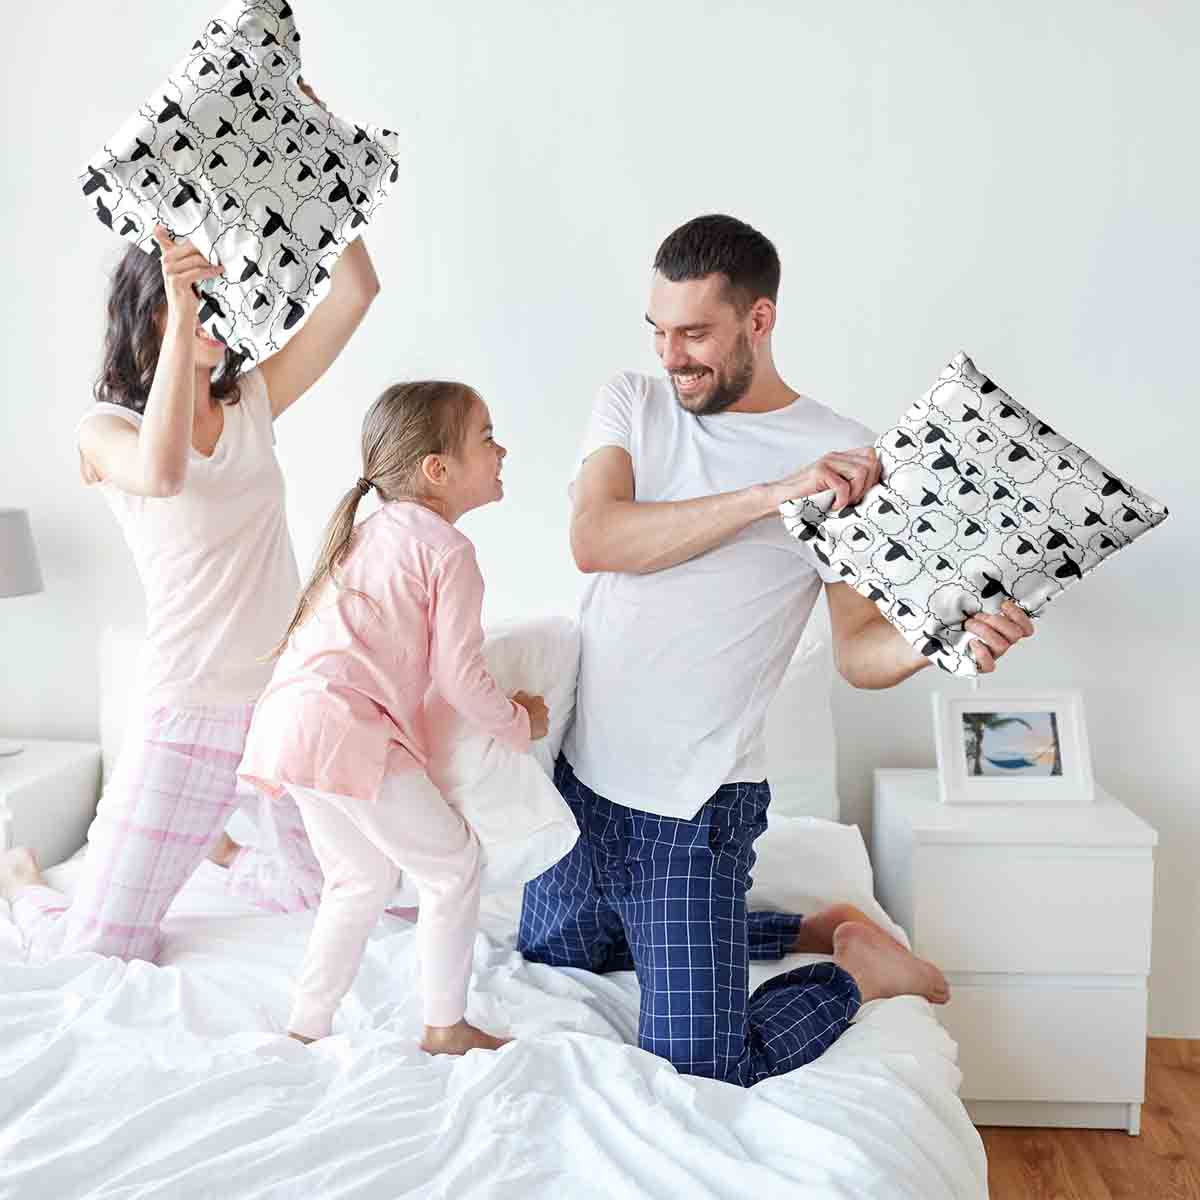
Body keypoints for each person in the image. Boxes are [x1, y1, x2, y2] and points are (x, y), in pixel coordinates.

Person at [518, 214, 1035, 1086]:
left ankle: (858, 966)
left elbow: (859, 653)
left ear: (759, 322)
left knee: (705, 1063)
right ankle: (806, 922)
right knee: (553, 946)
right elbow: (597, 537)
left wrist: (939, 645)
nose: (671, 354)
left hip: (693, 812)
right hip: (585, 779)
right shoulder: (634, 402)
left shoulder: (840, 458)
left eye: (695, 333)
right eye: (659, 330)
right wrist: (770, 498)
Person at [0, 81, 380, 956]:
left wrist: (304, 137)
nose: (220, 311)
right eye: (198, 295)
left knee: (333, 899)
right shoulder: (106, 432)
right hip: (189, 711)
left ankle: (224, 845)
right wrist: (181, 316)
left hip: (285, 702)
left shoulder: (250, 399)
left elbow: (358, 290)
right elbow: (164, 476)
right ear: (153, 306)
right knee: (103, 950)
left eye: (222, 294)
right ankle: (27, 886)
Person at [238, 381, 549, 1056]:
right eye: (488, 437)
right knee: (453, 866)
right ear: (438, 470)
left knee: (360, 878)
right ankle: (444, 1025)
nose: (503, 450)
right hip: (346, 730)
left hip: (289, 722)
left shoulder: (370, 533)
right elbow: (460, 678)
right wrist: (520, 722)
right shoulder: (446, 549)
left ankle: (305, 1025)